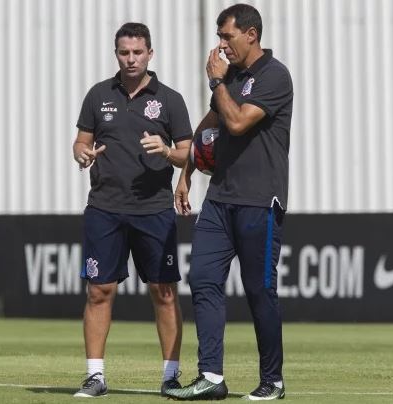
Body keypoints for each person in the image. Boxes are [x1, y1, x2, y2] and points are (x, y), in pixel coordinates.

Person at [164, 3, 293, 402]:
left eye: (227, 36)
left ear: (251, 34)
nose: (221, 45)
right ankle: (211, 376)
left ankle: (272, 379)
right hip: (219, 199)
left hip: (259, 201)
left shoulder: (274, 76)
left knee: (259, 291)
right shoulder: (231, 76)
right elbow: (212, 123)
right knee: (202, 278)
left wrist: (216, 83)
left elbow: (236, 120)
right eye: (219, 37)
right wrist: (185, 174)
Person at [71, 22, 192, 398]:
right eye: (124, 52)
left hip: (154, 209)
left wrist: (169, 152)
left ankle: (170, 377)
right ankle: (95, 376)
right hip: (105, 208)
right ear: (116, 54)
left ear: (150, 54)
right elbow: (80, 142)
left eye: (138, 52)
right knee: (98, 291)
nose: (131, 59)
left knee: (164, 292)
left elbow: (190, 152)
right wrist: (82, 154)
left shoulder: (169, 99)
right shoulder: (98, 95)